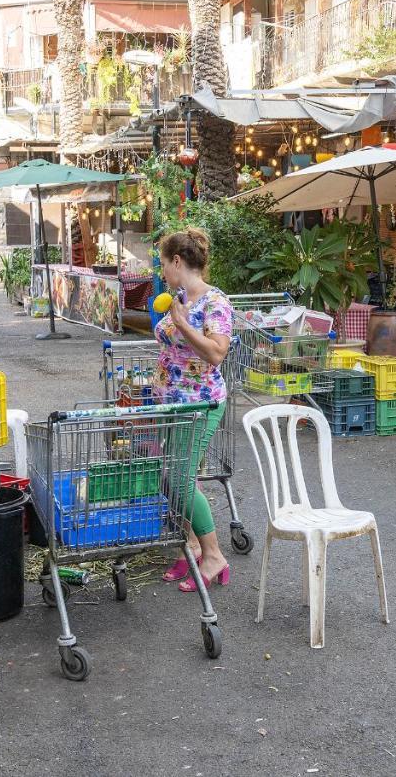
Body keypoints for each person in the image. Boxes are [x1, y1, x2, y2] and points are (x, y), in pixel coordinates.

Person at [153, 228, 233, 593]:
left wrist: (183, 324)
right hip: (171, 402)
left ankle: (214, 555)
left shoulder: (215, 302)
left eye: (162, 263)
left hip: (200, 404)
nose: (160, 271)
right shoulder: (179, 297)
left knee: (180, 481)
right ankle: (194, 546)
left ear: (178, 262)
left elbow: (217, 353)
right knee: (172, 480)